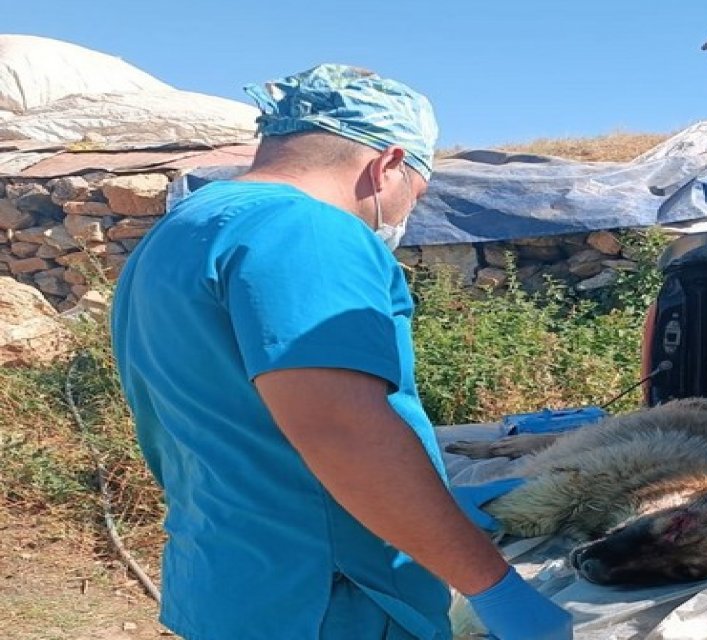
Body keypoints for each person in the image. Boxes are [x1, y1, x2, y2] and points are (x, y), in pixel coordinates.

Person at [111, 64, 571, 640]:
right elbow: (343, 430)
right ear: (388, 165)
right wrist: (494, 587)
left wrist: (438, 506)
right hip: (332, 596)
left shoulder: (184, 231)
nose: (405, 217)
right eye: (416, 196)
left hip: (231, 579)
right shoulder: (307, 231)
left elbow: (236, 420)